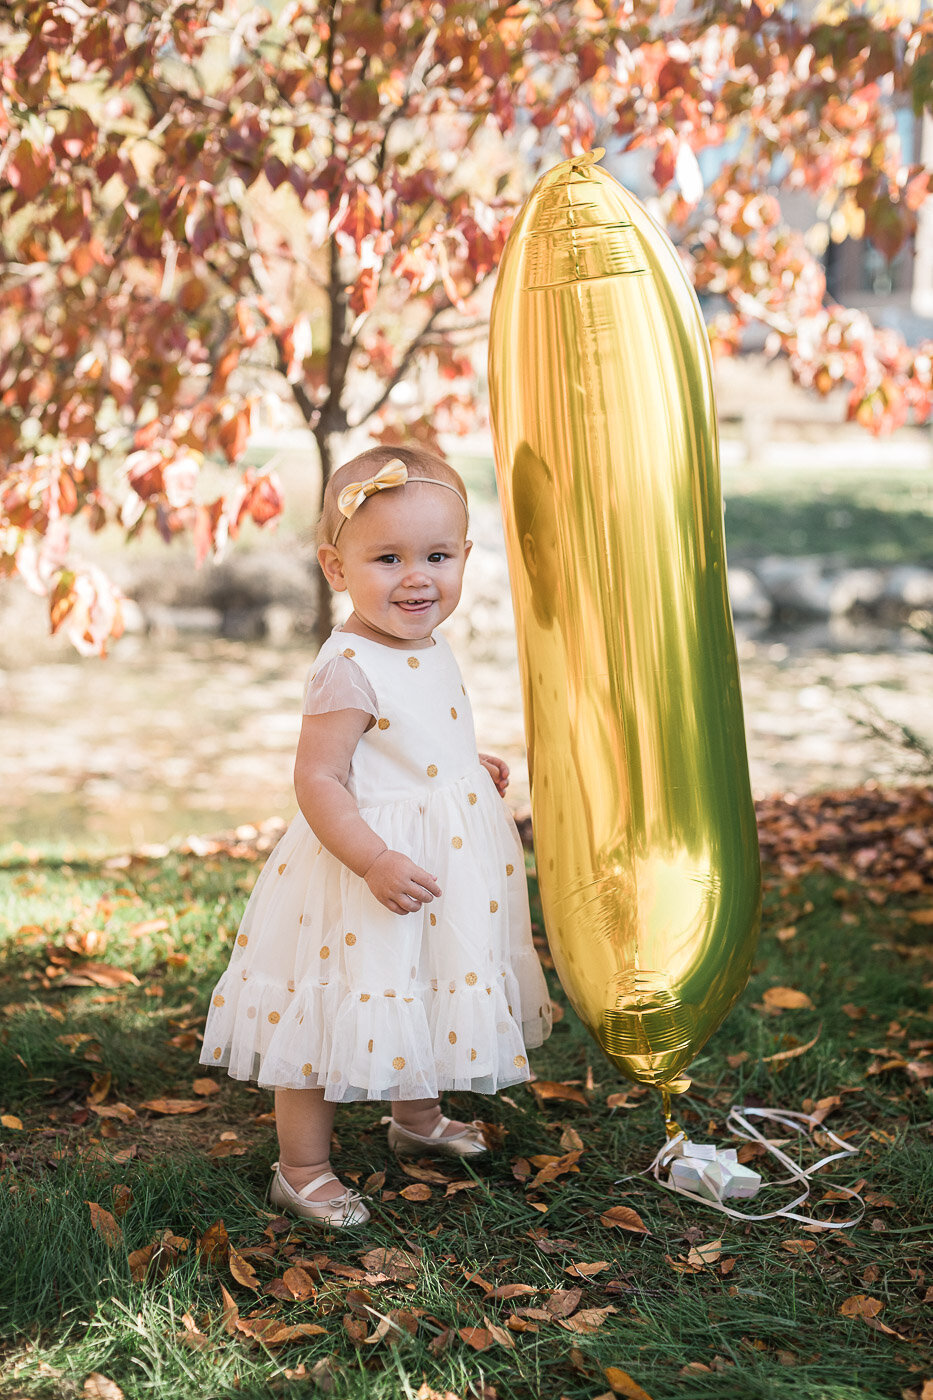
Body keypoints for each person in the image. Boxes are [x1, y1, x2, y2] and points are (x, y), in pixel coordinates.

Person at [200, 444, 552, 1229]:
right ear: (336, 566)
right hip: (363, 865)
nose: (416, 577)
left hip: (441, 857)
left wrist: (465, 764)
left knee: (421, 978)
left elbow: (412, 734)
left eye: (436, 556)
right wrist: (372, 859)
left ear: (465, 558)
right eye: (387, 558)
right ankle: (302, 1169)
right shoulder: (347, 663)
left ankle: (415, 1118)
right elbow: (320, 779)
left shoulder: (428, 640)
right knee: (338, 1004)